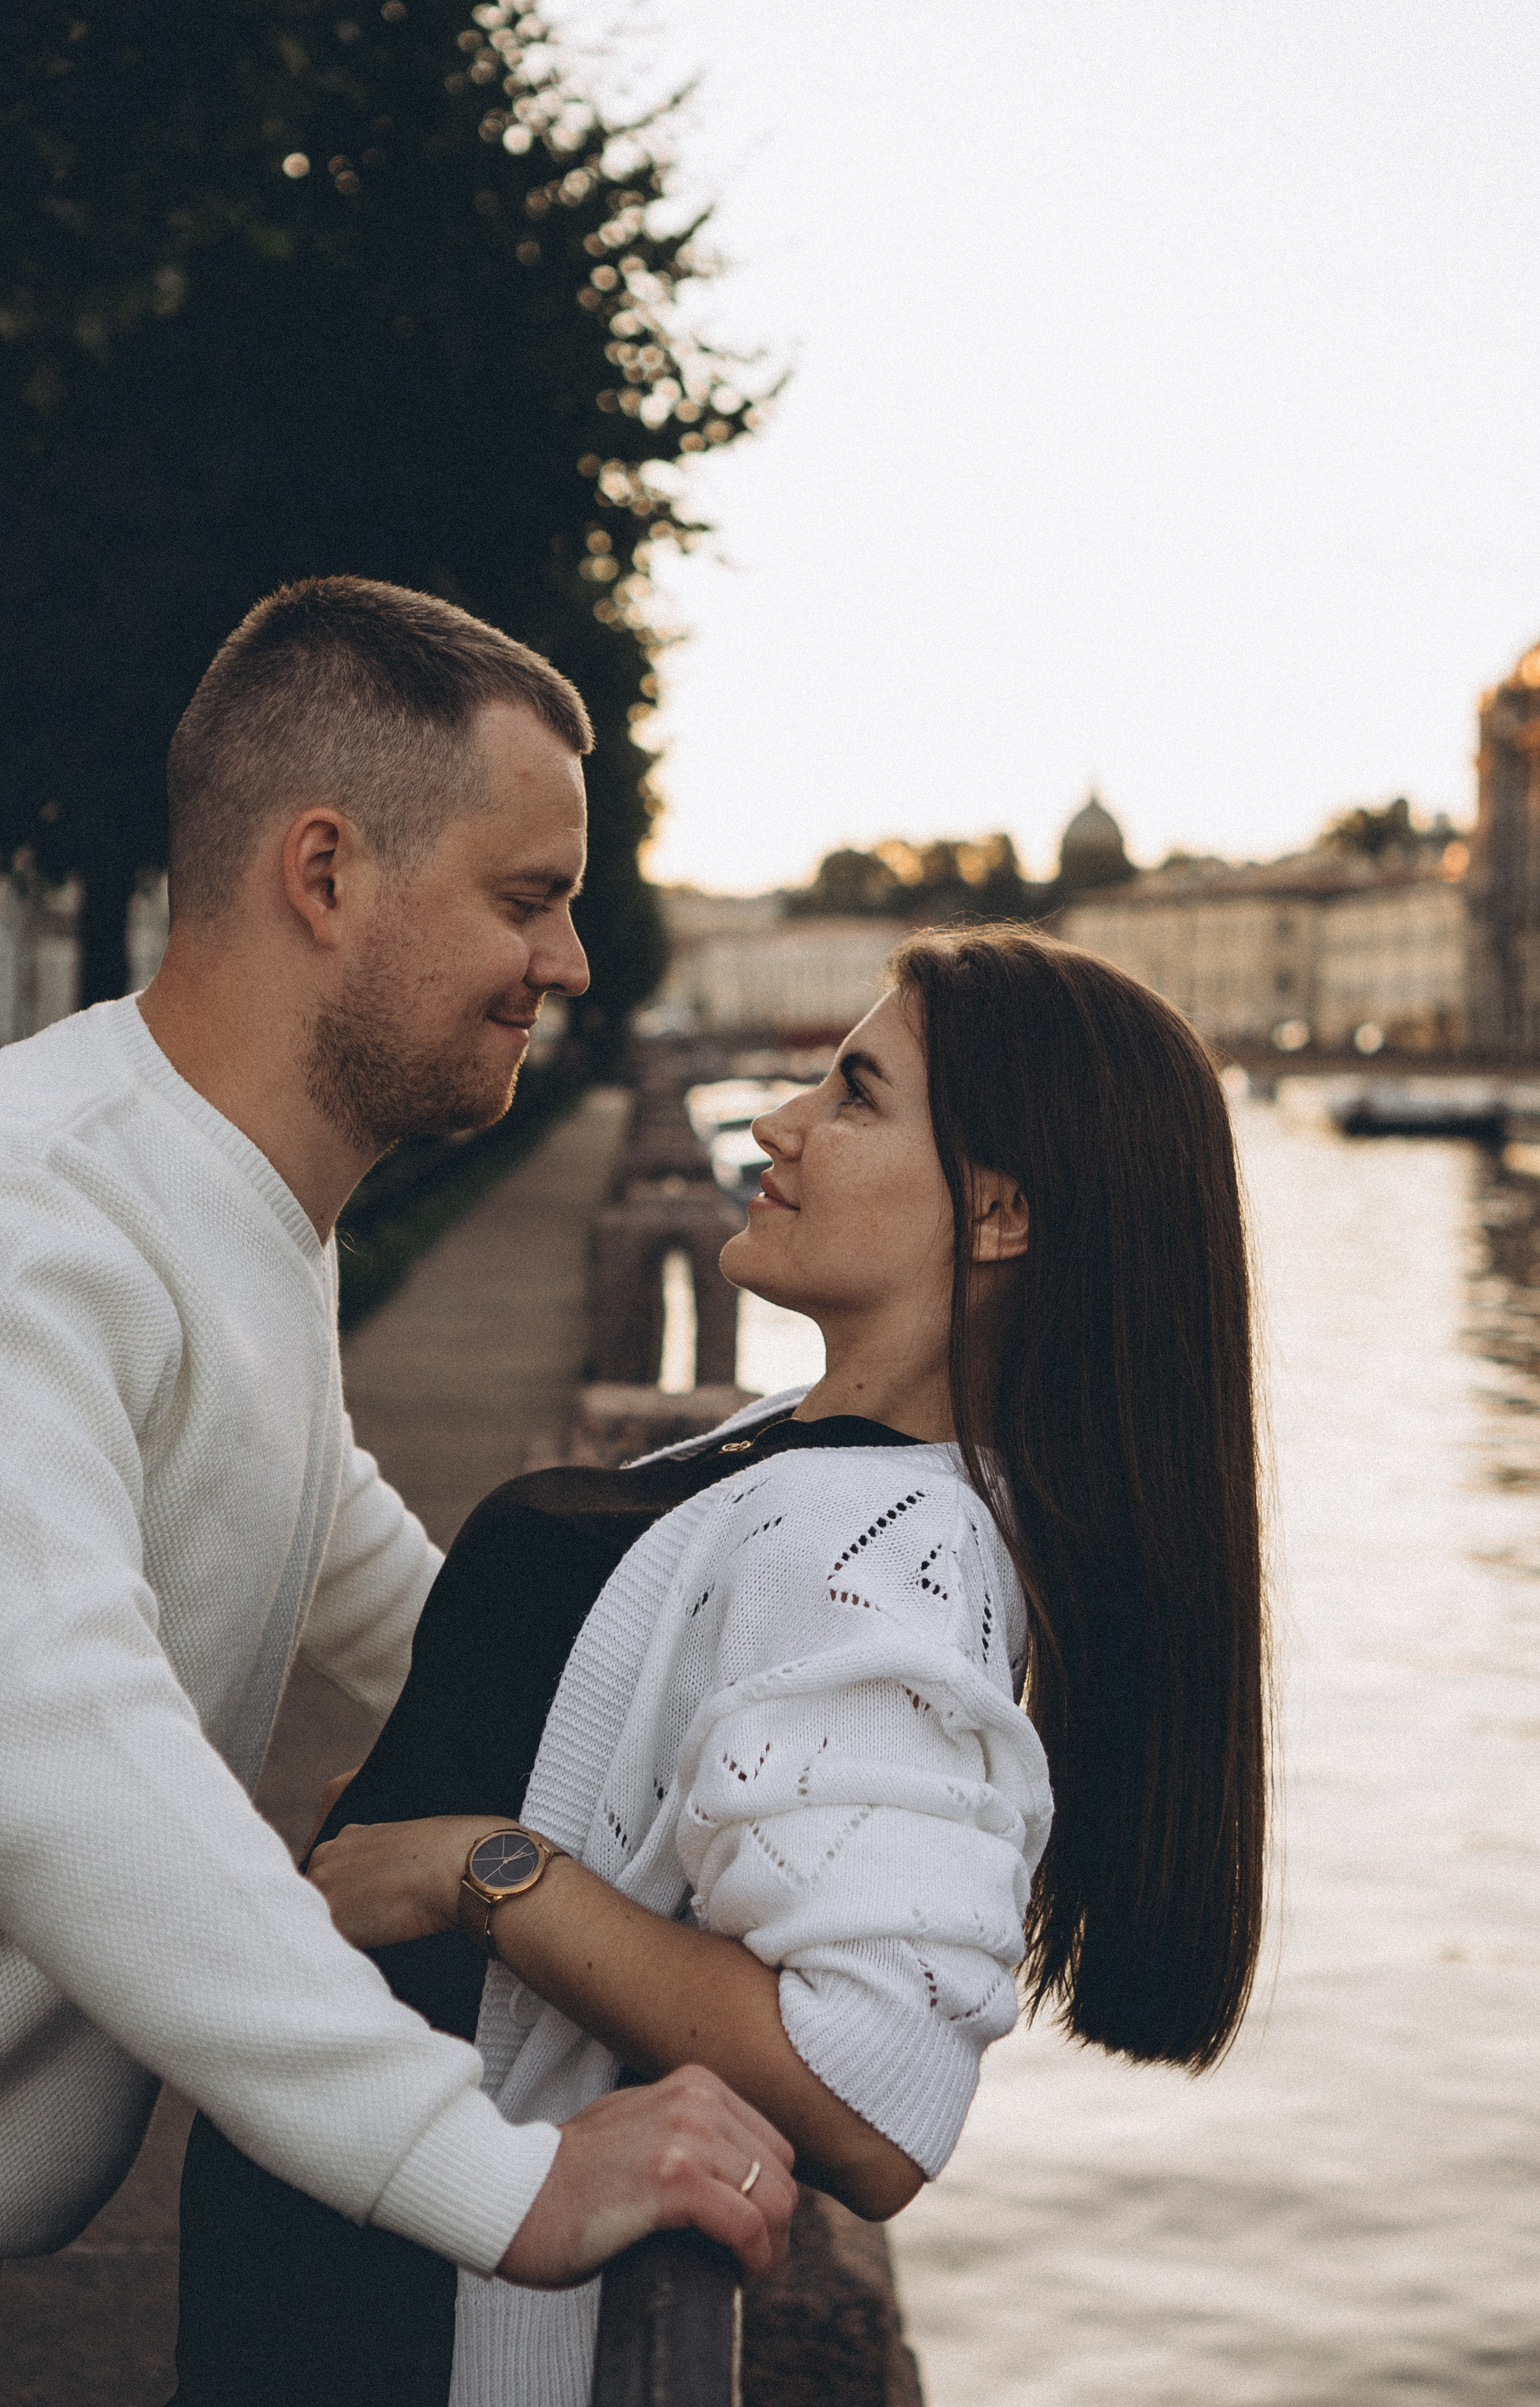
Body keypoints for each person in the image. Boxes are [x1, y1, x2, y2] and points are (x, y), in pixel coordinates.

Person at [175, 922, 1270, 2406]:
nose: (777, 1123)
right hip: (354, 2244)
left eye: (856, 1095)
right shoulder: (812, 1455)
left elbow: (870, 2095)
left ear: (1000, 1212)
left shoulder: (884, 1539)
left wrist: (468, 1867)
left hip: (414, 2326)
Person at [0, 576, 795, 2302]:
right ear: (326, 875)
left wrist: (686, 1778)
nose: (570, 965)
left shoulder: (223, 1206)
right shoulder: (34, 1215)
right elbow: (54, 1744)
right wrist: (491, 2176)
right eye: (528, 899)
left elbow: (317, 1523)